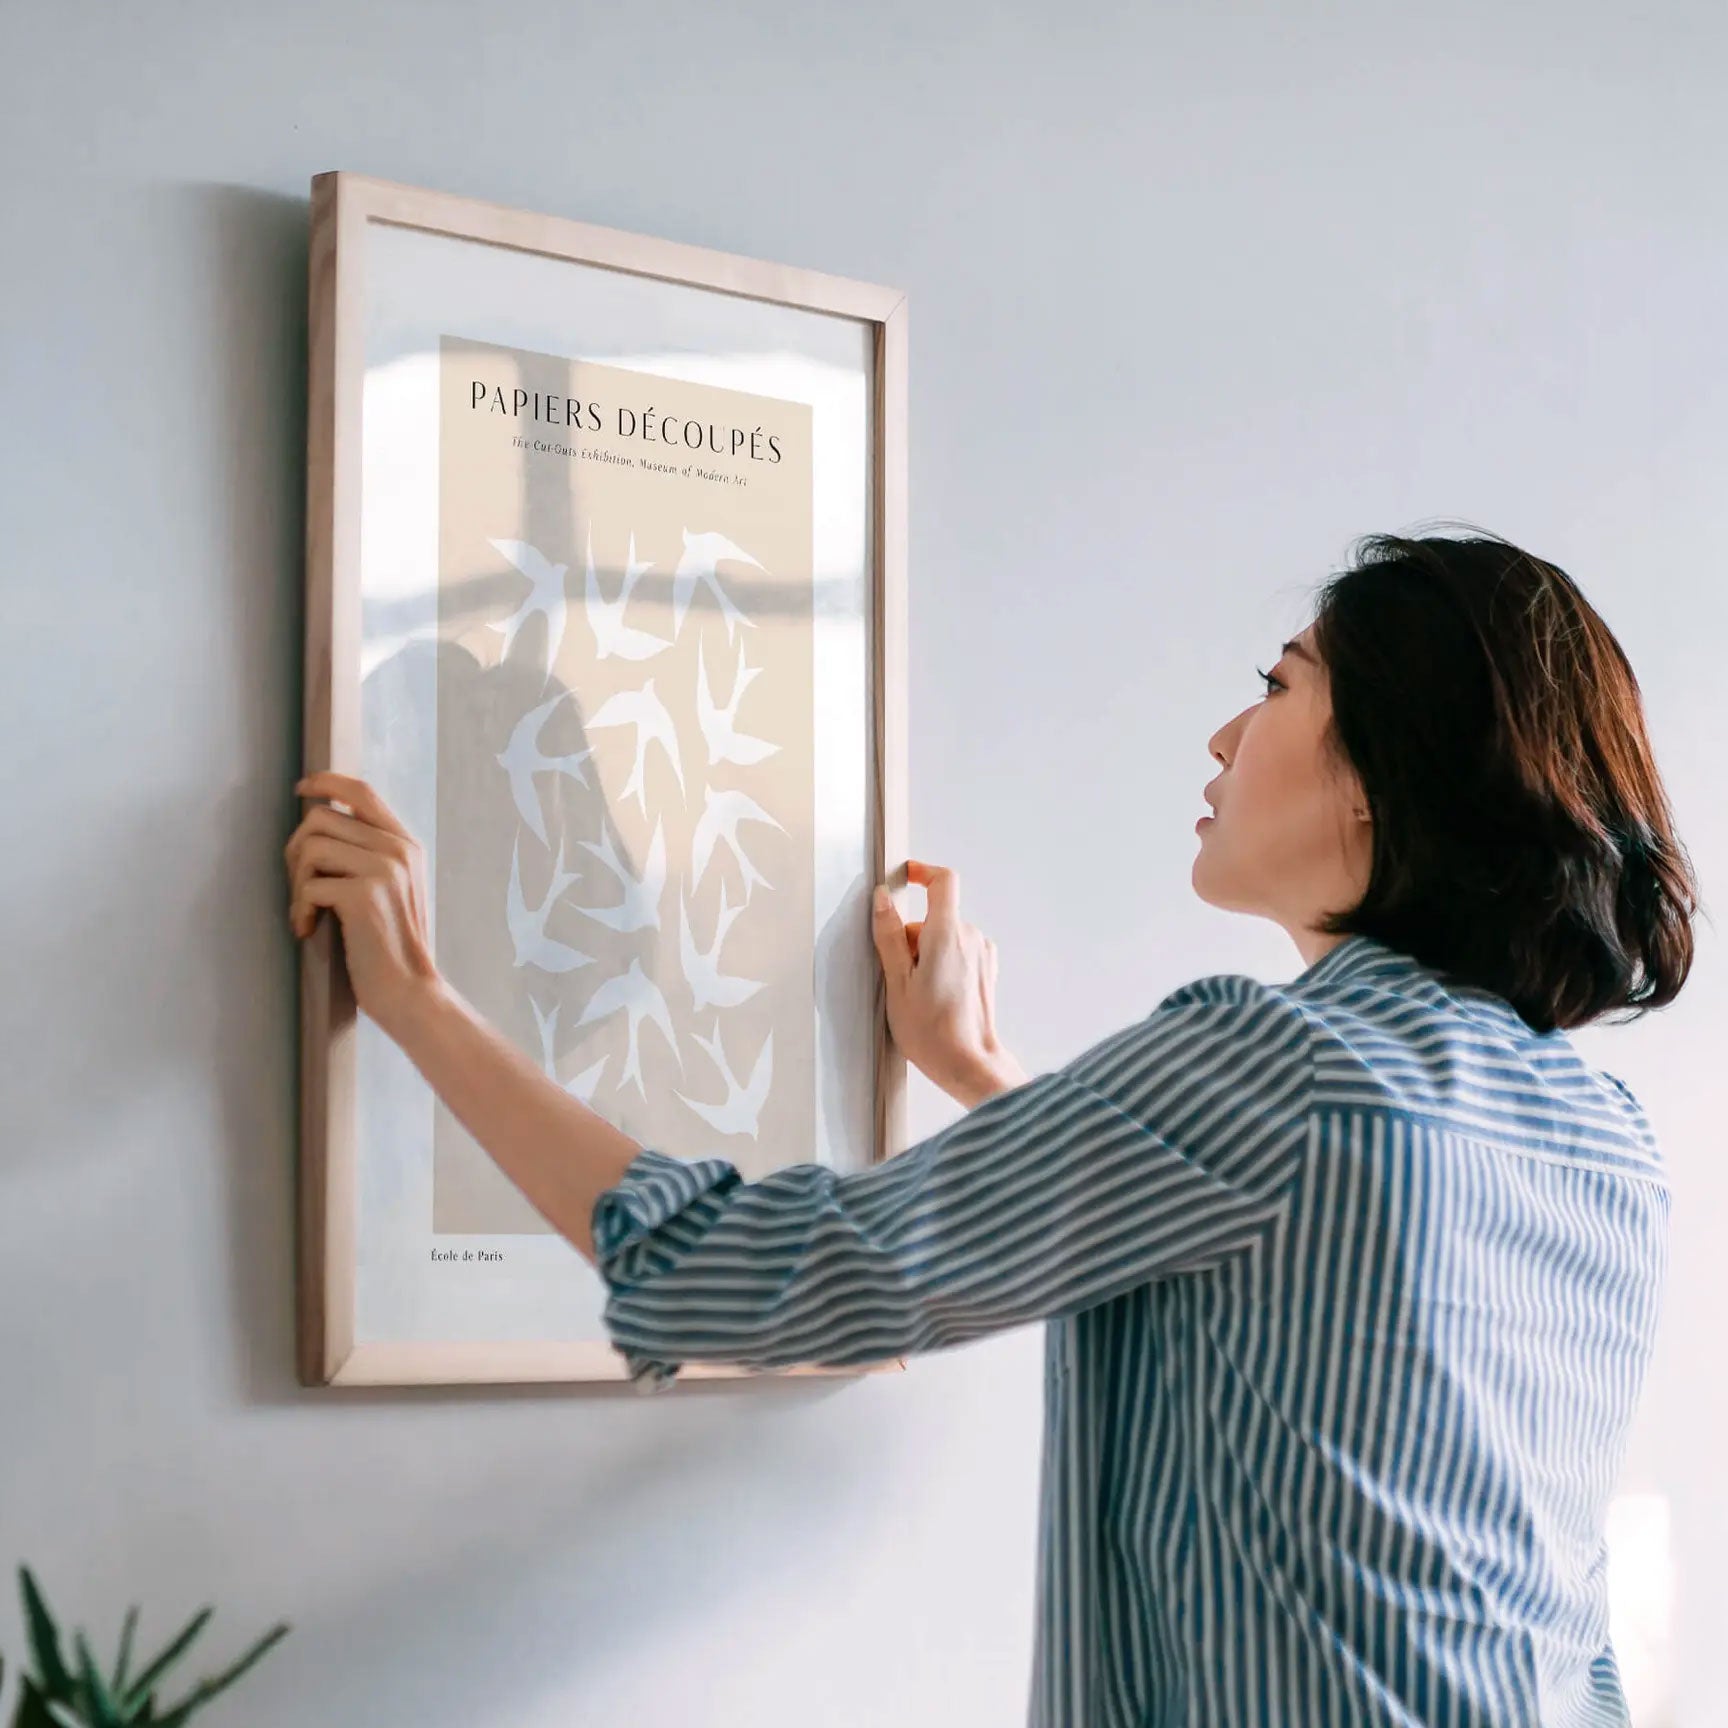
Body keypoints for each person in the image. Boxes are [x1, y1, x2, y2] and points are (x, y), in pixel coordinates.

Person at [284, 525, 1698, 1726]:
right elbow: (1282, 1288)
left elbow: (747, 1271)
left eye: (1277, 685)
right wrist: (976, 1071)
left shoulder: (1272, 1075)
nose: (1224, 731)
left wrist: (413, 996)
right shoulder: (1597, 1140)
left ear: (1383, 771)